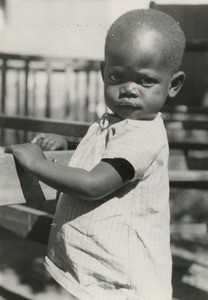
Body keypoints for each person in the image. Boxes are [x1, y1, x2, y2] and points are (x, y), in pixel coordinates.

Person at [5, 9, 186, 300]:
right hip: (102, 273)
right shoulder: (117, 122)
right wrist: (65, 142)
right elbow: (102, 146)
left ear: (173, 85)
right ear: (104, 73)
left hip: (124, 284)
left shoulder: (143, 135)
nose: (129, 89)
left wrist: (36, 162)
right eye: (117, 77)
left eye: (146, 81)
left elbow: (93, 184)